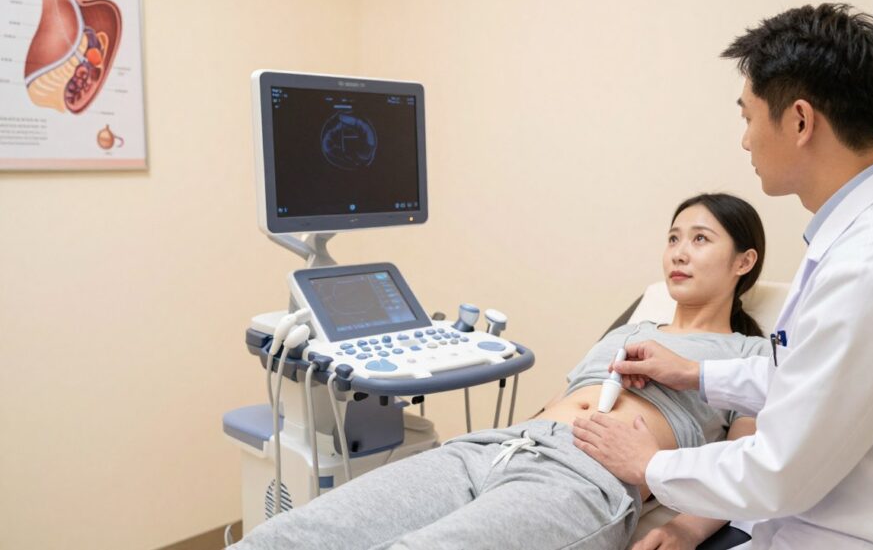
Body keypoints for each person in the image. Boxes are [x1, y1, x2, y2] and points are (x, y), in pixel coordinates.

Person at [573, 3, 873, 550]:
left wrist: (652, 464)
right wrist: (697, 374)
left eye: (748, 116)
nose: (745, 140)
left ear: (800, 121)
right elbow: (818, 384)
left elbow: (781, 469)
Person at [232, 193, 772, 550]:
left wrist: (685, 528)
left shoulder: (749, 357)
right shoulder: (630, 328)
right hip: (495, 447)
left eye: (700, 239)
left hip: (582, 477)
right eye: (674, 237)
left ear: (743, 262)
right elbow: (560, 403)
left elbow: (744, 465)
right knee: (291, 535)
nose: (678, 252)